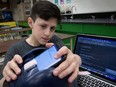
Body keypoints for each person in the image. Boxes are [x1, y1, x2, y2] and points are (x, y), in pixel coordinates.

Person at [0, 1, 82, 87]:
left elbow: (74, 58)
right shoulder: (15, 50)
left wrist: (76, 59)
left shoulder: (54, 41)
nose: (48, 33)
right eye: (43, 26)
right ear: (31, 23)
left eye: (52, 28)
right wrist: (6, 79)